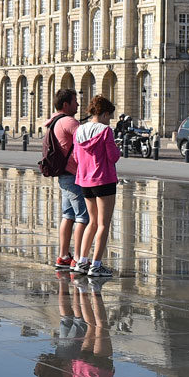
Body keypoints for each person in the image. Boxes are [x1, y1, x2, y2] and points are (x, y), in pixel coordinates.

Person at [73, 95, 119, 279]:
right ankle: (97, 265)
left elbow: (76, 157)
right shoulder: (106, 131)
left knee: (91, 222)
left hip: (84, 181)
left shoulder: (79, 131)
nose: (109, 120)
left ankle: (82, 262)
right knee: (103, 224)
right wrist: (117, 148)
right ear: (105, 114)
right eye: (109, 116)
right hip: (104, 179)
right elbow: (113, 157)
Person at [44, 88, 88, 273]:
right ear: (66, 104)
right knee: (83, 217)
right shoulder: (69, 121)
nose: (77, 104)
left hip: (64, 174)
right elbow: (87, 139)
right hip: (73, 174)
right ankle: (78, 258)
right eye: (75, 101)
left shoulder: (54, 120)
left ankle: (63, 256)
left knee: (68, 215)